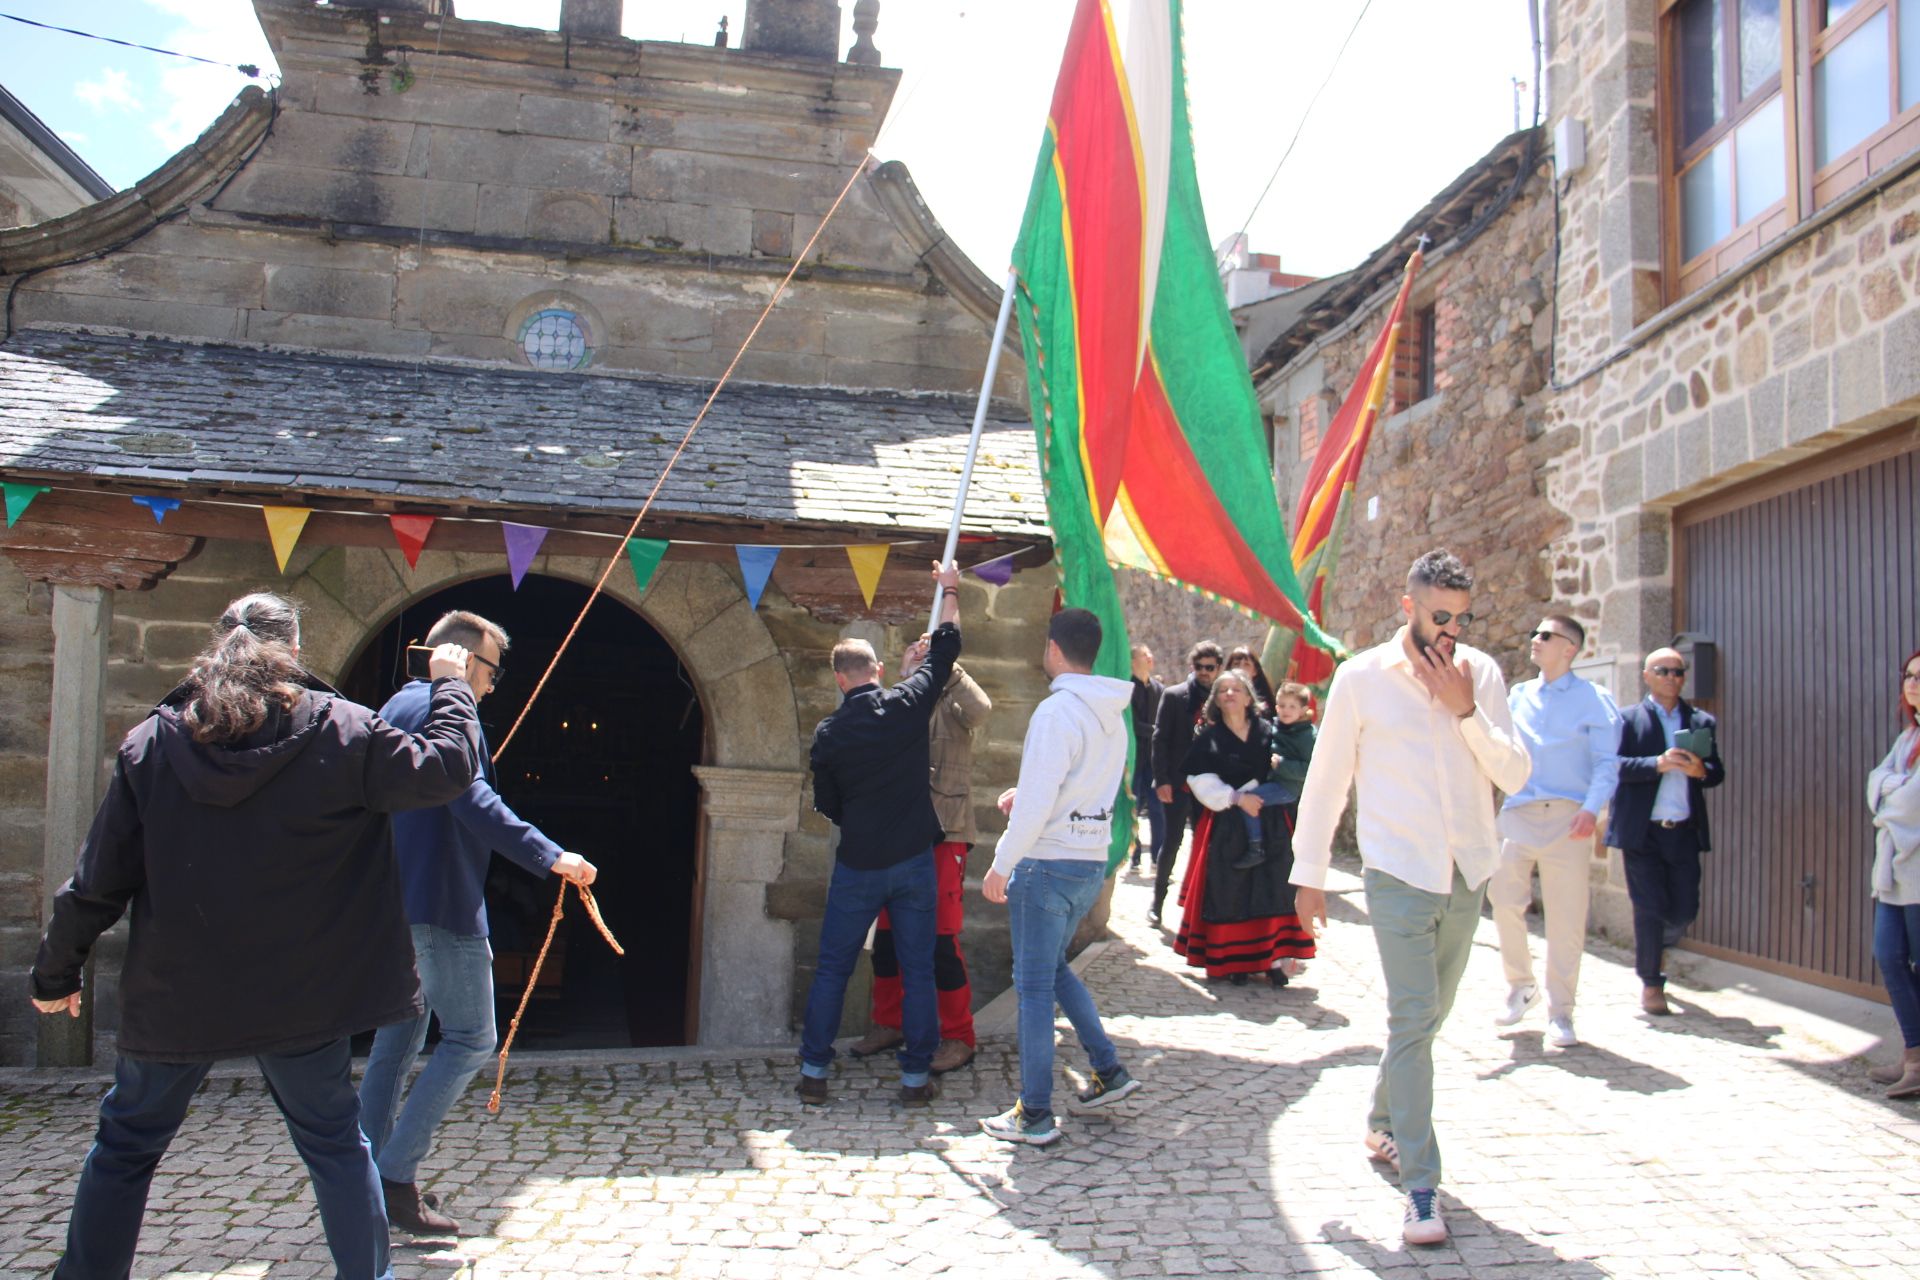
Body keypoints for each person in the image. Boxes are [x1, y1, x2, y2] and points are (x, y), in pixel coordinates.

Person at [28, 593, 485, 1280]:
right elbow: (447, 766)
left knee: (125, 1147)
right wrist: (452, 686)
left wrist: (56, 974)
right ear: (293, 652)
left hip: (181, 995)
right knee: (335, 1146)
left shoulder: (152, 743)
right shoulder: (343, 731)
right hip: (302, 997)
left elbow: (96, 883)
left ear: (218, 648)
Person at [1291, 550, 1531, 1247]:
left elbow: (1514, 773)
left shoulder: (1480, 675)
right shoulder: (1361, 679)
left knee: (1423, 1024)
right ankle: (1421, 1189)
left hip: (1469, 871)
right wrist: (1309, 873)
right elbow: (1328, 779)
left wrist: (1467, 714)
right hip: (1396, 873)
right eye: (1439, 617)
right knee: (1415, 1012)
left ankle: (1383, 1122)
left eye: (1461, 617)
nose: (1451, 631)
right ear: (1409, 607)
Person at [357, 610, 599, 1237]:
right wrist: (553, 856)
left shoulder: (395, 706)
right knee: (470, 1039)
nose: (492, 686)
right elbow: (472, 801)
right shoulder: (447, 710)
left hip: (391, 904)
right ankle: (394, 1176)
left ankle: (356, 1181)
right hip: (439, 904)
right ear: (463, 662)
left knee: (399, 1040)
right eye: (490, 671)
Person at [797, 561, 962, 1106]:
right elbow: (947, 647)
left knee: (833, 969)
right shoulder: (906, 703)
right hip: (914, 858)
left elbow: (827, 802)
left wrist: (860, 820)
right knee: (917, 970)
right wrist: (951, 590)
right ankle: (915, 1079)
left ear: (839, 678)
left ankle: (815, 1073)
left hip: (859, 861)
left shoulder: (830, 732)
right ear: (877, 669)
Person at [978, 607, 1141, 1145]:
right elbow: (1083, 785)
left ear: (1052, 649)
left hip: (1046, 863)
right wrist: (1027, 795)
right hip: (1088, 861)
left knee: (1031, 988)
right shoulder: (1109, 713)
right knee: (1053, 971)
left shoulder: (1055, 713)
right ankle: (1108, 1070)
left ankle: (1035, 1113)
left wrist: (1002, 862)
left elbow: (1046, 798)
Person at [846, 637, 990, 1076]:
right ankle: (890, 1022)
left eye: (926, 650)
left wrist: (947, 668)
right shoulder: (893, 701)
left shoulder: (953, 698)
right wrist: (908, 678)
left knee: (941, 938)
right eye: (913, 650)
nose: (919, 655)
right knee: (888, 938)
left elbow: (982, 710)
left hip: (943, 833)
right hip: (896, 835)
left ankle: (959, 1035)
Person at [1489, 615, 1620, 1049]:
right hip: (1519, 812)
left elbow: (1606, 763)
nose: (1535, 640)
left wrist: (1591, 809)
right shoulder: (1518, 695)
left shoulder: (1594, 700)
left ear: (1569, 648)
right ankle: (1520, 985)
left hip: (1569, 818)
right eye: (1534, 633)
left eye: (1544, 635)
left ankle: (1561, 1012)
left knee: (1566, 917)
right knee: (1503, 899)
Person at [1174, 670, 1316, 986]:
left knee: (1275, 889)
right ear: (1216, 700)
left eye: (1236, 689)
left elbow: (1297, 765)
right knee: (1231, 892)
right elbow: (1197, 778)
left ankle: (1275, 961)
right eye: (1223, 690)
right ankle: (1234, 962)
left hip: (1273, 822)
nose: (1229, 694)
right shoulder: (1210, 738)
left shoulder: (1270, 731)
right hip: (1229, 824)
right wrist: (1236, 798)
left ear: (1249, 697)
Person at [1607, 646, 1726, 1017]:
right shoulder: (1627, 720)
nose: (1672, 678)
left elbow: (1716, 772)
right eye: (1663, 670)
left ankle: (1662, 946)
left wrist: (1700, 772)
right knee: (1648, 907)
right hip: (1642, 830)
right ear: (1646, 675)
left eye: (1678, 671)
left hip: (1683, 830)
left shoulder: (1701, 721)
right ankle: (1651, 983)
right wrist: (1655, 764)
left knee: (1684, 908)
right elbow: (1612, 766)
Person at [1866, 647, 1920, 1097]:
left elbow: (1907, 803)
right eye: (1909, 675)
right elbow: (1874, 784)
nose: (1914, 683)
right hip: (1894, 874)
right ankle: (1914, 1056)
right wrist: (1892, 789)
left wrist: (1891, 791)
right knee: (1889, 955)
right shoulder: (1907, 739)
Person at [1149, 641, 1222, 925]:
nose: (1204, 673)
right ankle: (1157, 902)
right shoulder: (1174, 695)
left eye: (1210, 668)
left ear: (1218, 668)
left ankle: (1201, 906)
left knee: (1207, 845)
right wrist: (1162, 779)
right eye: (1200, 667)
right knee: (1172, 843)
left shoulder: (1222, 699)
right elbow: (1160, 740)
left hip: (1210, 785)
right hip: (1179, 784)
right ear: (1192, 666)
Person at [1129, 643, 1165, 875]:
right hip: (1134, 758)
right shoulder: (1127, 688)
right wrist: (1157, 731)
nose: (1150, 657)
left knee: (1157, 808)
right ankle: (1133, 856)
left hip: (1154, 759)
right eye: (1144, 654)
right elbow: (1131, 724)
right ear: (1133, 661)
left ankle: (1158, 857)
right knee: (1133, 806)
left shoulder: (1159, 689)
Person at [1225, 644, 1277, 712]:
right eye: (1236, 664)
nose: (1241, 668)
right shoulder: (1222, 695)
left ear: (1255, 671)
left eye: (1246, 664)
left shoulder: (1266, 704)